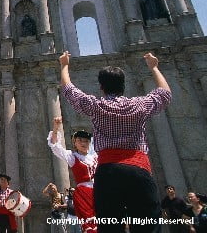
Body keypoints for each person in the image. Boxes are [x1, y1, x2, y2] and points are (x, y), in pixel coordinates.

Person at [59, 51, 171, 233]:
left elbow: (68, 90)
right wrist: (154, 68)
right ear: (124, 86)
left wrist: (64, 65)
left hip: (108, 173)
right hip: (139, 171)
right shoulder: (139, 105)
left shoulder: (97, 106)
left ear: (101, 87)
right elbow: (165, 94)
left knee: (110, 227)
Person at [48, 116, 97, 233]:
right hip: (83, 194)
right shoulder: (72, 157)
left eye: (86, 141)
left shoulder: (95, 157)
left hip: (99, 192)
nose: (83, 143)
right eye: (80, 140)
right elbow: (55, 145)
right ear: (75, 143)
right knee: (90, 226)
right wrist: (56, 127)